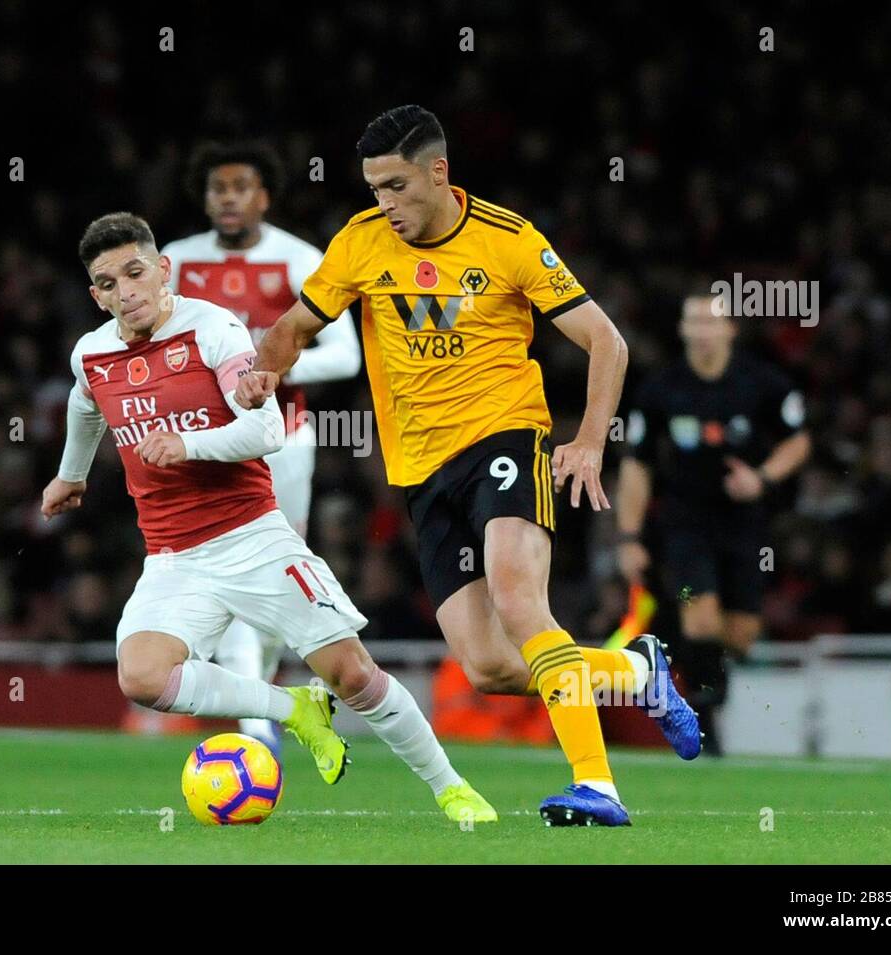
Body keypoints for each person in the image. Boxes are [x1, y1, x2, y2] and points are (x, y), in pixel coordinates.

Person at [236, 105, 701, 827]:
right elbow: (295, 327)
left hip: (504, 438)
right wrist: (263, 371)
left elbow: (606, 342)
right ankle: (638, 671)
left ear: (438, 171)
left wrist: (588, 440)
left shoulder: (508, 239)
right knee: (487, 667)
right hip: (421, 469)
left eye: (395, 185)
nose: (384, 204)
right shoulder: (360, 244)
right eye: (373, 189)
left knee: (522, 604)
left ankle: (598, 787)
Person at [40, 211, 494, 823]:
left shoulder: (214, 330)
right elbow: (85, 402)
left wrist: (188, 443)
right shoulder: (92, 353)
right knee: (143, 677)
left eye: (135, 272)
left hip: (253, 538)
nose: (127, 291)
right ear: (96, 295)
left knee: (352, 675)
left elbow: (266, 428)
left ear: (163, 269)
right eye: (109, 282)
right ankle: (293, 710)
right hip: (174, 558)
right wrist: (71, 475)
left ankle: (450, 787)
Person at [161, 141, 362, 756]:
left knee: (274, 576)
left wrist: (264, 366)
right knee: (221, 568)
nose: (228, 198)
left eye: (241, 186)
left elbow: (346, 354)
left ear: (264, 196)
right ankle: (255, 724)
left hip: (283, 439)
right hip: (202, 441)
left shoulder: (298, 259)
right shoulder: (176, 263)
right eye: (217, 188)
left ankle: (262, 691)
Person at [617, 293, 811, 753]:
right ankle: (704, 724)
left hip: (745, 525)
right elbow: (636, 466)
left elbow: (797, 442)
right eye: (694, 322)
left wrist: (762, 478)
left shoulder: (761, 383)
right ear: (683, 330)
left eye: (712, 321)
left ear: (730, 329)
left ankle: (691, 660)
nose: (702, 330)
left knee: (741, 634)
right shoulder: (660, 390)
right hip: (684, 523)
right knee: (699, 615)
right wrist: (628, 536)